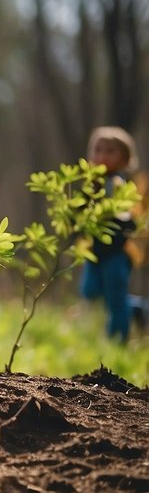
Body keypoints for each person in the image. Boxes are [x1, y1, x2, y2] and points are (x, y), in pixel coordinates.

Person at [81, 125, 145, 341]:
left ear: (125, 158)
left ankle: (118, 344)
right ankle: (138, 309)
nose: (102, 156)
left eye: (110, 151)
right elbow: (81, 211)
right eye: (98, 150)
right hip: (95, 250)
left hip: (118, 252)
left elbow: (131, 217)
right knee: (90, 290)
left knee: (115, 302)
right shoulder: (91, 183)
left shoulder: (120, 183)